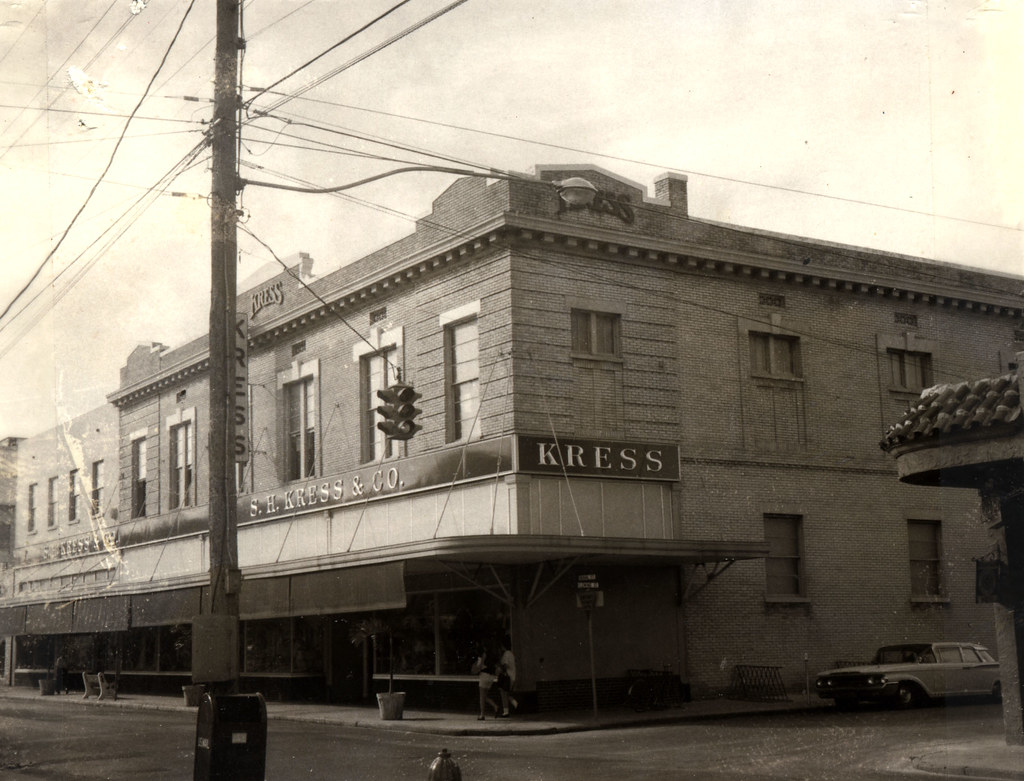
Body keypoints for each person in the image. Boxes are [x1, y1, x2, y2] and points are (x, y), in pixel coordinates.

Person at [472, 647, 499, 720]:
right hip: (491, 677)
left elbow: (479, 667)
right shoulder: (490, 656)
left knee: (482, 697)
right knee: (484, 696)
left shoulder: (481, 657)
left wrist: (475, 668)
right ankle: (495, 706)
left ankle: (482, 715)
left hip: (484, 676)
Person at [497, 636, 518, 716]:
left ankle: (507, 710)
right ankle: (511, 706)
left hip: (507, 677)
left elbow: (505, 666)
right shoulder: (511, 654)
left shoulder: (506, 654)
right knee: (506, 693)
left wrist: (499, 667)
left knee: (504, 693)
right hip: (512, 676)